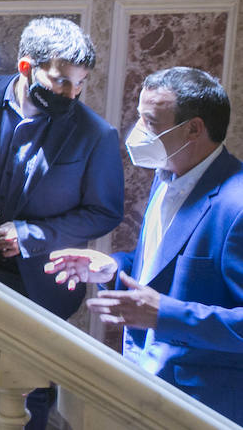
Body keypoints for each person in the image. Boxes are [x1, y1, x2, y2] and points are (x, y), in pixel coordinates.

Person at [0, 17, 124, 430]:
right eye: (61, 81)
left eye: (81, 83)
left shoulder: (97, 135)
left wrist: (30, 236)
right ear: (26, 68)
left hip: (38, 282)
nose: (72, 94)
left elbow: (106, 211)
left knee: (29, 390)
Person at [46, 67, 243, 424]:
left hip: (204, 404)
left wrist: (164, 314)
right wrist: (113, 268)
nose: (137, 132)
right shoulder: (166, 176)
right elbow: (161, 265)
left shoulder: (237, 204)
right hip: (145, 386)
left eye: (150, 121)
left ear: (193, 129)